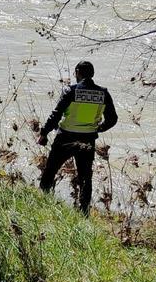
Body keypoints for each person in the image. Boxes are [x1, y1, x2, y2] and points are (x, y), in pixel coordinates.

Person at [38, 60, 118, 215]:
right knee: (85, 177)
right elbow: (112, 119)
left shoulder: (71, 91)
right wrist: (99, 128)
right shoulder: (103, 93)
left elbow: (56, 114)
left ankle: (43, 203)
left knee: (50, 171)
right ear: (92, 74)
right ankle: (84, 212)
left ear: (77, 72)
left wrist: (44, 133)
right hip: (88, 140)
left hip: (65, 137)